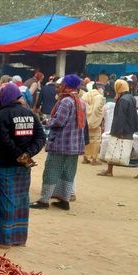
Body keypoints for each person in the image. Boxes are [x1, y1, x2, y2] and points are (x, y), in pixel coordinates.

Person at [0, 83, 46, 248]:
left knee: (5, 199)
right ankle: (18, 237)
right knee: (20, 200)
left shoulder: (2, 115)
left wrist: (19, 155)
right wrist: (28, 154)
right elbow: (41, 137)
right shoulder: (30, 114)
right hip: (24, 165)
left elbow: (4, 141)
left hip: (8, 163)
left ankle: (3, 240)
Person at [31, 74, 87, 210]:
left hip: (61, 143)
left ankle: (44, 201)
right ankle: (64, 200)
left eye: (62, 84)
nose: (59, 86)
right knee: (68, 172)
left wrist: (47, 121)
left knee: (52, 170)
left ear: (66, 86)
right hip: (74, 144)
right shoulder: (80, 101)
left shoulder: (66, 101)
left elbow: (59, 121)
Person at [97, 79, 138, 179]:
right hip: (129, 127)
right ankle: (110, 169)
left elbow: (120, 117)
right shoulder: (130, 97)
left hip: (122, 128)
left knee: (118, 147)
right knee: (123, 147)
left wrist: (118, 131)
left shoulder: (123, 100)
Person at [81, 81, 106, 165]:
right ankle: (93, 159)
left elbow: (83, 108)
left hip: (85, 121)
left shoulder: (85, 95)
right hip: (95, 122)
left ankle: (86, 157)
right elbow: (97, 110)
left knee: (87, 138)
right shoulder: (100, 97)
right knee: (96, 140)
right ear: (99, 88)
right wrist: (97, 120)